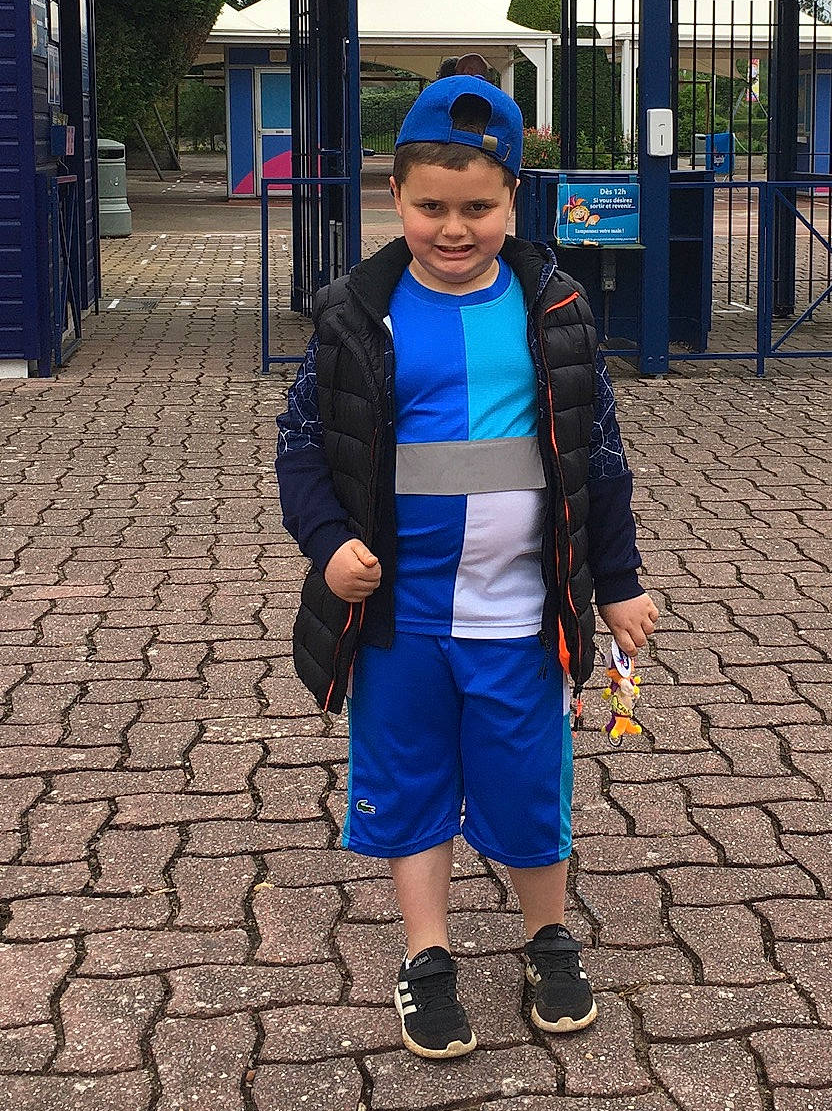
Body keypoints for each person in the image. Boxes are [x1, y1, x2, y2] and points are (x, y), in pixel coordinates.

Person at [275, 75, 657, 1060]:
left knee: (532, 788)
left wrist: (617, 582)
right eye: (431, 206)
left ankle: (548, 935)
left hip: (520, 616)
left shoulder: (554, 308)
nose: (454, 227)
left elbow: (597, 457)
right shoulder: (361, 315)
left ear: (515, 199)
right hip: (399, 624)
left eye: (477, 207)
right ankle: (428, 952)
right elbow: (303, 447)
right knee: (407, 784)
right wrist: (328, 547)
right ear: (395, 200)